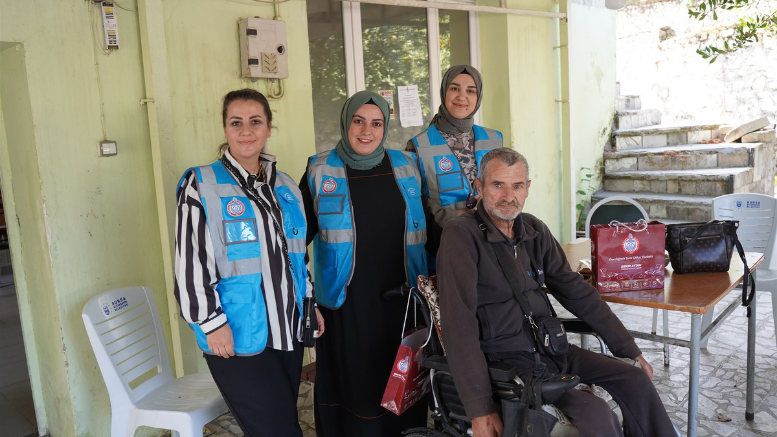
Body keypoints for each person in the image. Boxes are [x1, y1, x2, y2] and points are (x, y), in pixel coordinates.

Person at [437, 148, 676, 437]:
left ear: (527, 189)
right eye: (497, 185)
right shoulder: (461, 236)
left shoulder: (534, 230)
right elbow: (458, 324)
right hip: (507, 362)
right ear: (479, 186)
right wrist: (479, 409)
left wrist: (629, 349)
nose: (508, 196)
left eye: (517, 186)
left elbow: (576, 291)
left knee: (635, 379)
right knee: (596, 414)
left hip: (551, 348)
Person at [174, 89, 324, 437]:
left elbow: (298, 256)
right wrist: (211, 324)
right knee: (278, 430)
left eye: (255, 122)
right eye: (236, 122)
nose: (246, 131)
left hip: (287, 325)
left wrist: (310, 303)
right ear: (225, 129)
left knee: (283, 421)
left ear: (268, 128)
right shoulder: (202, 184)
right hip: (237, 333)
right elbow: (191, 262)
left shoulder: (285, 186)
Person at [299, 90, 429, 436]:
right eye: (359, 121)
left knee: (403, 387)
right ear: (346, 122)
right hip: (345, 306)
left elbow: (430, 228)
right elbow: (294, 244)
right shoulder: (319, 169)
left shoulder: (408, 166)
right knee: (356, 393)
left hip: (403, 304)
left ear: (385, 127)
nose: (366, 131)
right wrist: (306, 299)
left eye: (376, 123)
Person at [406, 65, 502, 256]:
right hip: (444, 246)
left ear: (478, 96)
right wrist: (455, 216)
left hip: (491, 244)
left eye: (470, 91)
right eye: (455, 88)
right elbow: (414, 204)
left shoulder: (494, 139)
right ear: (444, 92)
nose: (462, 97)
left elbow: (505, 186)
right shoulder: (418, 145)